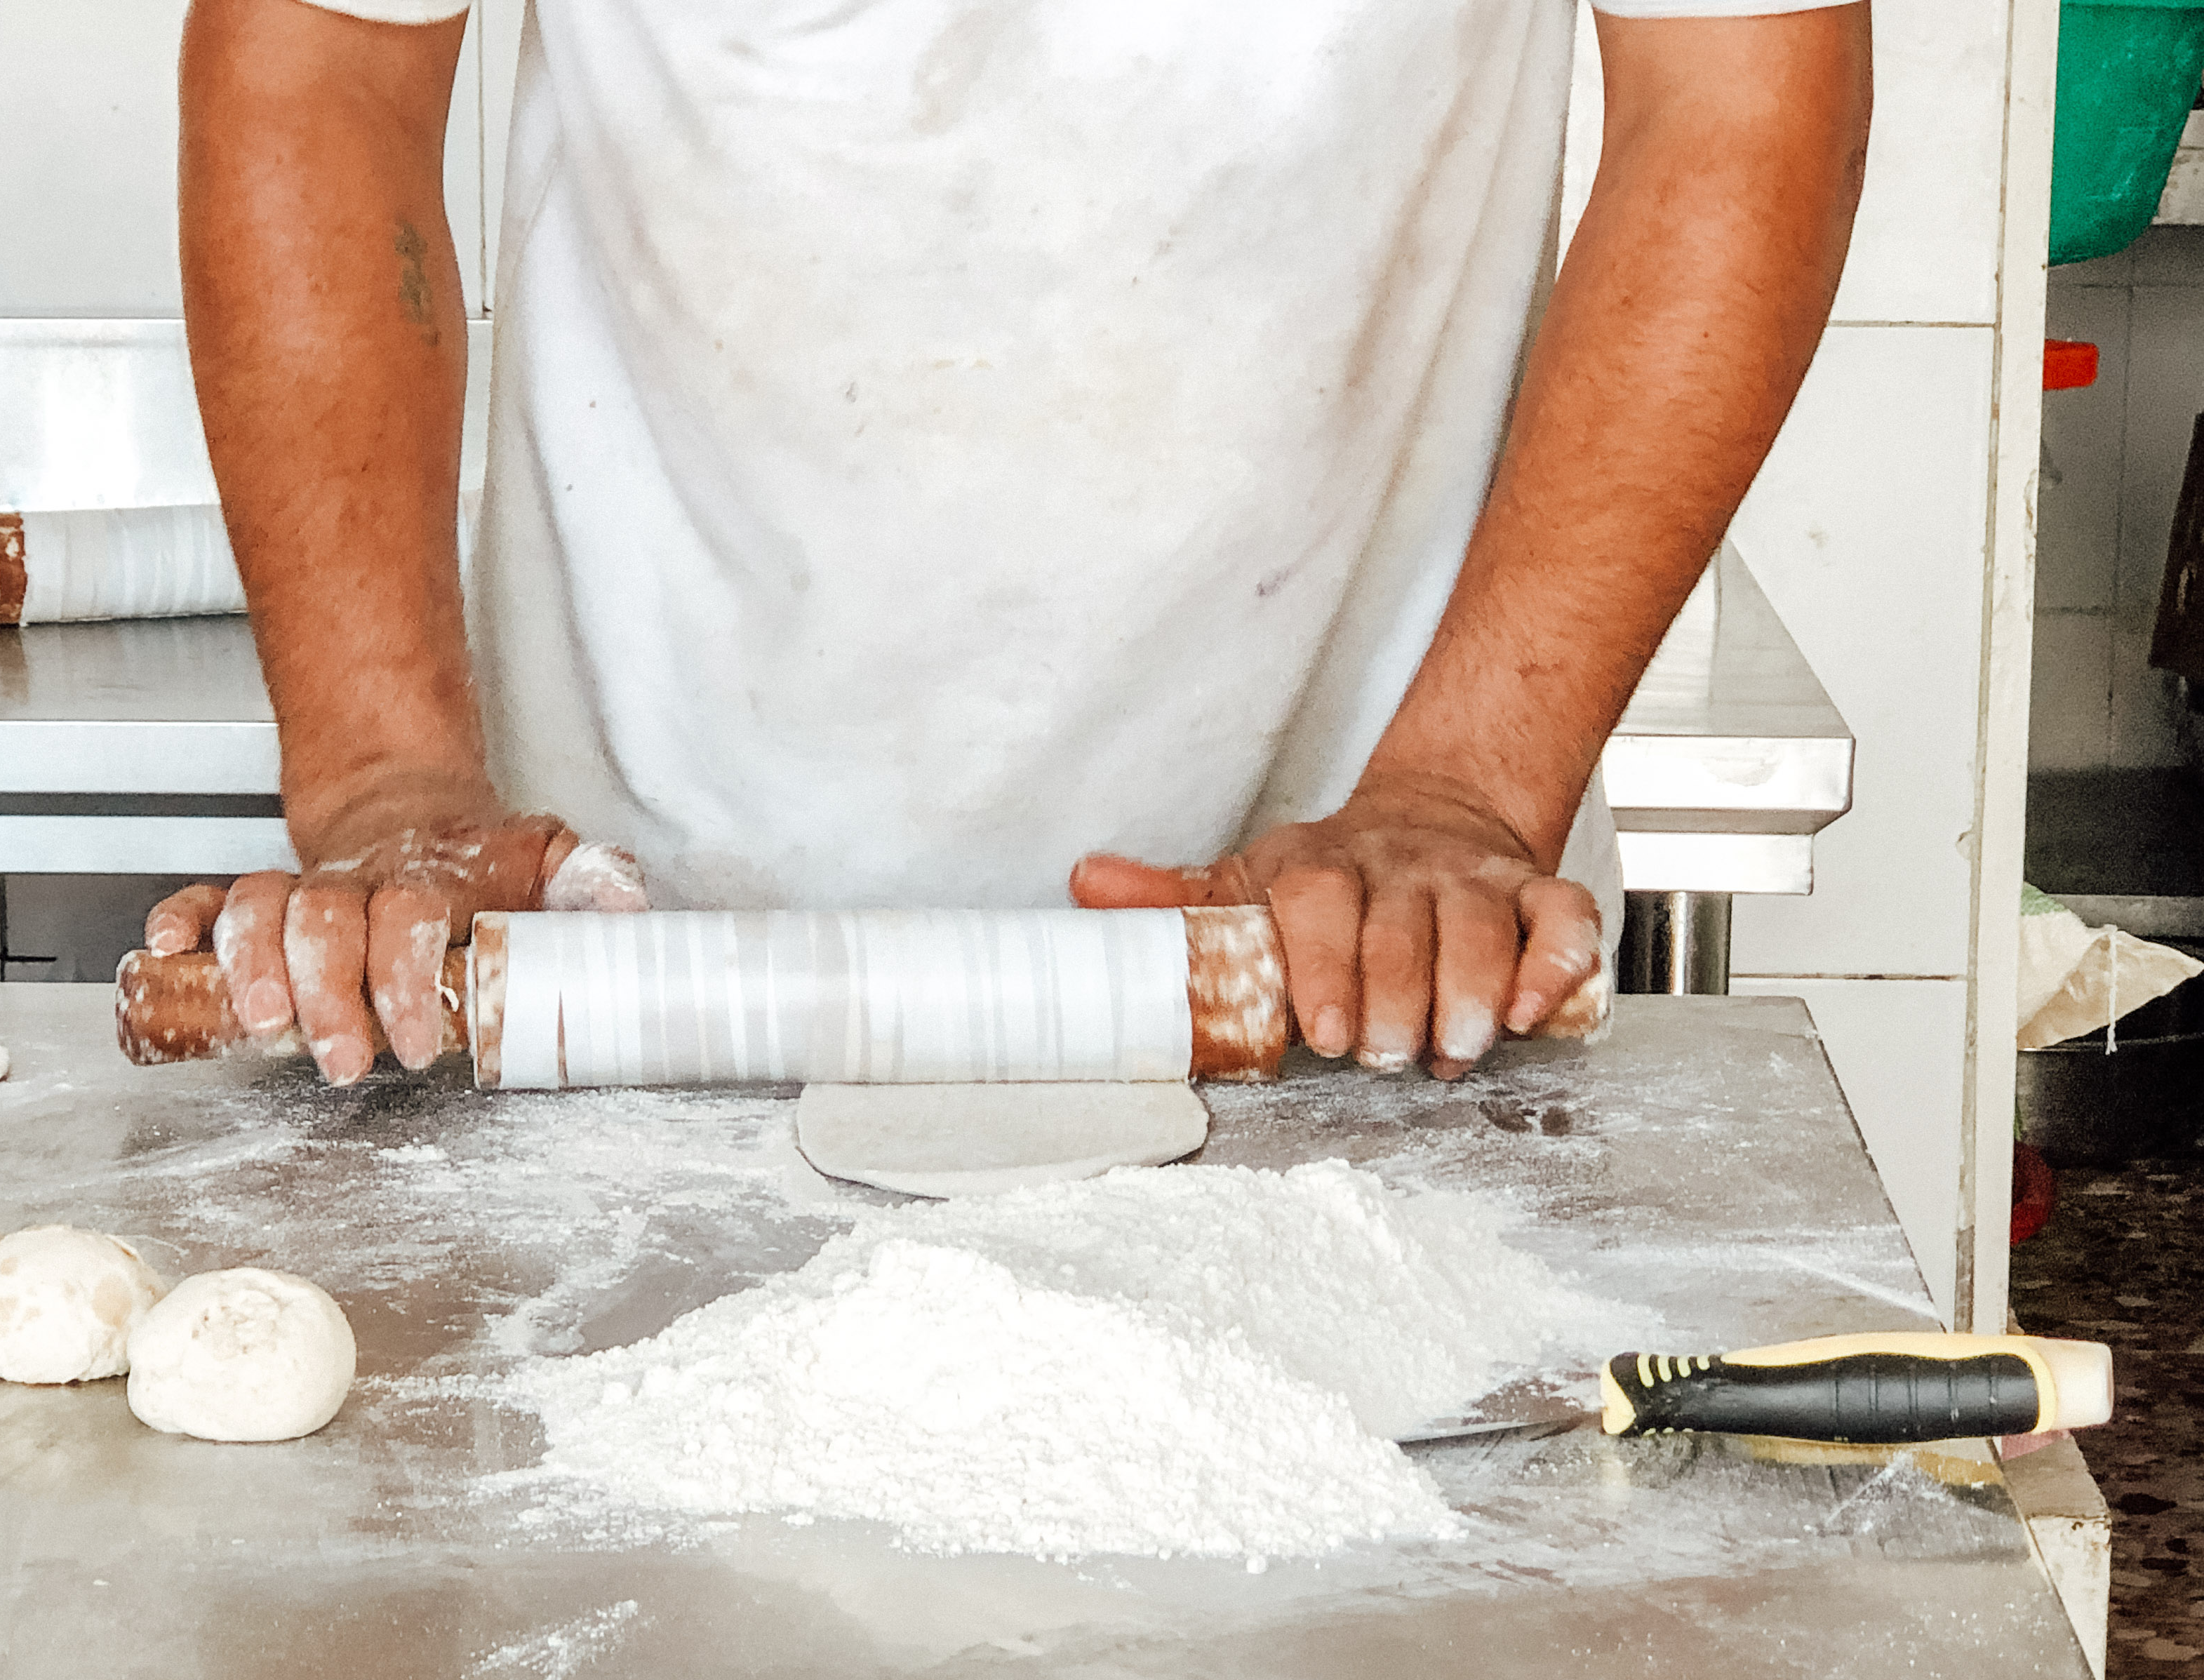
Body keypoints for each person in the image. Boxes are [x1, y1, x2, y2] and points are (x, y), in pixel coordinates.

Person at [145, 0, 1869, 1084]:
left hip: (1361, 957)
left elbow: (1731, 92)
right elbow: (321, 73)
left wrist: (1469, 794)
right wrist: (389, 790)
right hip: (611, 968)